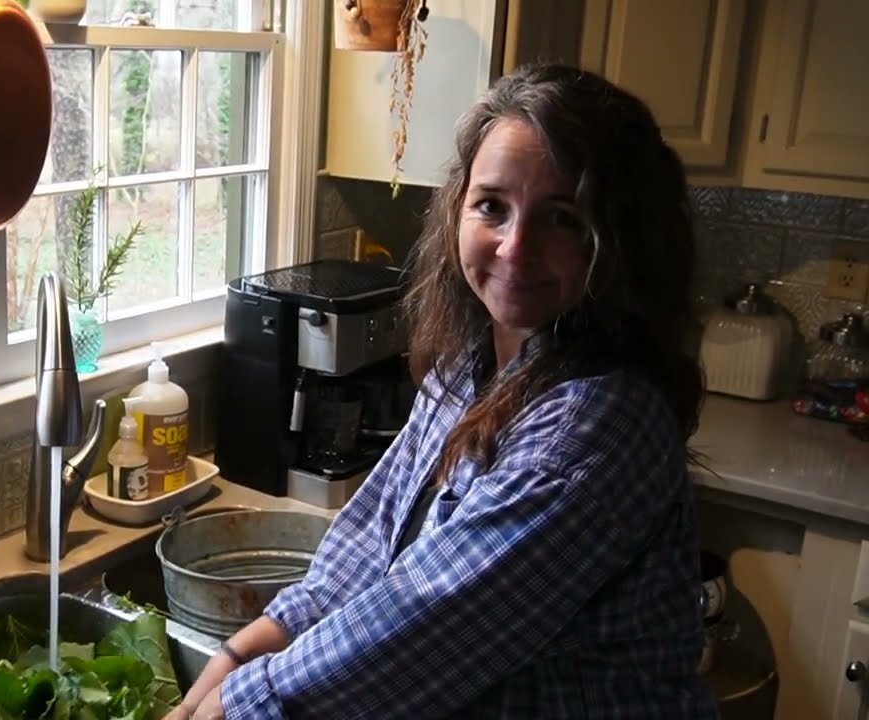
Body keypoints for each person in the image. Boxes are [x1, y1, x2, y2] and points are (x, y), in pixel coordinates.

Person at [165, 62, 717, 719]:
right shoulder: (471, 365)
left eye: (563, 218)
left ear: (622, 242)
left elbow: (419, 623)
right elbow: (366, 547)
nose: (516, 248)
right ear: (458, 209)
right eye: (493, 207)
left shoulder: (597, 426)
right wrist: (237, 656)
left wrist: (243, 701)